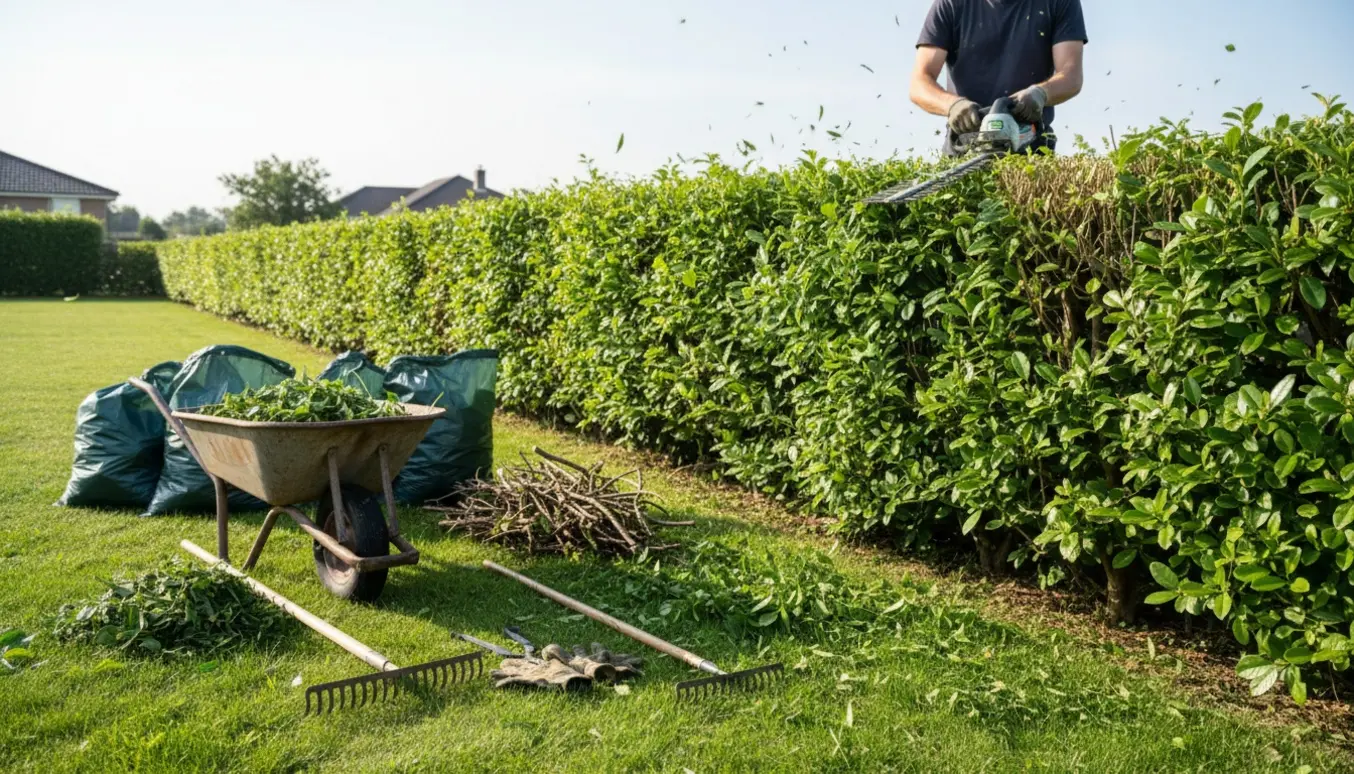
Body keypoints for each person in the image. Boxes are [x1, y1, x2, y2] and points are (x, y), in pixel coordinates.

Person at [909, 0, 1087, 156]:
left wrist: (1040, 93)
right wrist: (953, 105)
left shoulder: (1058, 3)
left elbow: (1071, 75)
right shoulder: (951, 3)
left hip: (1029, 142)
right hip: (967, 142)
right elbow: (920, 82)